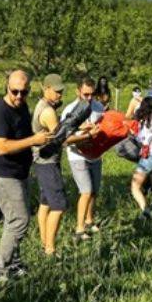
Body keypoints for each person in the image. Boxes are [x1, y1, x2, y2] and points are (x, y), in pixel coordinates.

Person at [0, 70, 51, 282]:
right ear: (7, 88)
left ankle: (13, 263)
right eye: (15, 92)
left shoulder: (22, 108)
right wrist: (33, 140)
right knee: (19, 220)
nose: (19, 96)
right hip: (3, 173)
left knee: (13, 220)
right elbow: (2, 146)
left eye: (24, 92)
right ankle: (1, 269)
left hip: (19, 172)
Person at [33, 74, 93, 256]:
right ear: (46, 89)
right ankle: (50, 249)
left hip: (41, 162)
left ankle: (44, 243)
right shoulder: (48, 112)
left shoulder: (42, 106)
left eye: (61, 91)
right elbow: (63, 139)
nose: (60, 94)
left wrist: (82, 129)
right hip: (47, 163)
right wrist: (87, 136)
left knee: (45, 203)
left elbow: (60, 130)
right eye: (56, 91)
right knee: (59, 205)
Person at [63, 78, 106, 241]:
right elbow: (64, 138)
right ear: (78, 91)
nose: (89, 98)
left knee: (94, 191)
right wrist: (84, 132)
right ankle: (79, 229)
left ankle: (89, 221)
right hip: (77, 155)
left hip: (95, 155)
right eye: (85, 94)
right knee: (86, 191)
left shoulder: (98, 107)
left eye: (92, 94)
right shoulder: (70, 109)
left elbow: (103, 128)